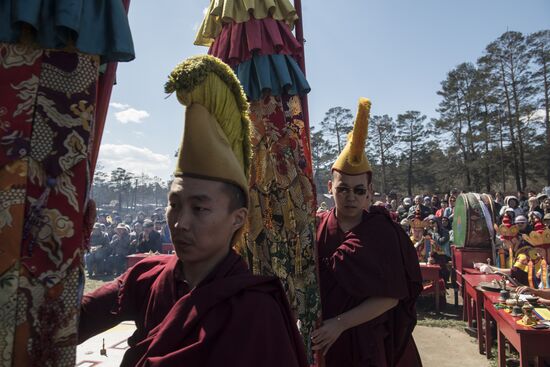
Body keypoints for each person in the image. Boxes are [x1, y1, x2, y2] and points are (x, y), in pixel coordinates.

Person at [79, 55, 308, 367]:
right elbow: (69, 320)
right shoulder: (148, 277)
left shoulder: (255, 310)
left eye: (200, 208)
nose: (181, 223)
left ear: (237, 219)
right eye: (174, 205)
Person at [313, 98, 422, 366]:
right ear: (330, 187)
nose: (351, 197)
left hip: (366, 338)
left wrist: (340, 324)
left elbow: (392, 296)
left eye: (359, 190)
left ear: (370, 193)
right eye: (343, 189)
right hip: (323, 338)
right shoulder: (317, 227)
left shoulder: (382, 231)